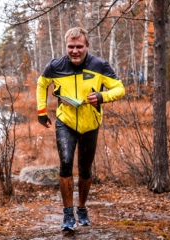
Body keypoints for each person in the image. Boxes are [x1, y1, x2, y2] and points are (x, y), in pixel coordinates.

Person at [36, 27, 125, 231]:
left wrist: (102, 97)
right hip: (65, 122)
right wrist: (41, 111)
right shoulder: (55, 65)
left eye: (79, 46)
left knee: (85, 170)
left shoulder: (99, 65)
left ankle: (82, 208)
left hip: (90, 124)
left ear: (86, 46)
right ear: (65, 46)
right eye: (70, 47)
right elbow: (42, 84)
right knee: (65, 164)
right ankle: (68, 214)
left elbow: (120, 88)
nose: (74, 51)